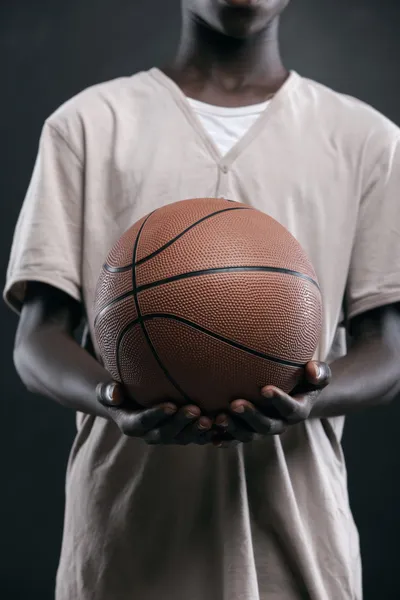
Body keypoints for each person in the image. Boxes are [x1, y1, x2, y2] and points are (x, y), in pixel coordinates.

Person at [4, 0, 400, 598]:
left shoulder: (368, 139)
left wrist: (307, 398)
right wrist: (111, 399)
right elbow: (36, 340)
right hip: (123, 544)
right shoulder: (87, 123)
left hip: (295, 540)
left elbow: (389, 354)